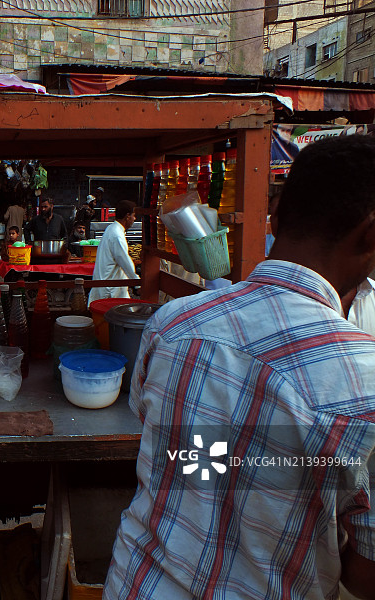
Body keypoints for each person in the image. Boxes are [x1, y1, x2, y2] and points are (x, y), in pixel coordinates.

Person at [106, 134, 375, 600]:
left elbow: (183, 457)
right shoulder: (365, 382)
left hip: (139, 585)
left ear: (274, 217)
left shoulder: (173, 324)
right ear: (371, 234)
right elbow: (365, 576)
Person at [88, 200, 139, 304]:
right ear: (127, 216)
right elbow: (125, 262)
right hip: (109, 290)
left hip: (109, 287)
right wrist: (138, 283)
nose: (135, 219)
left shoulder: (112, 229)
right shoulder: (116, 235)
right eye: (134, 216)